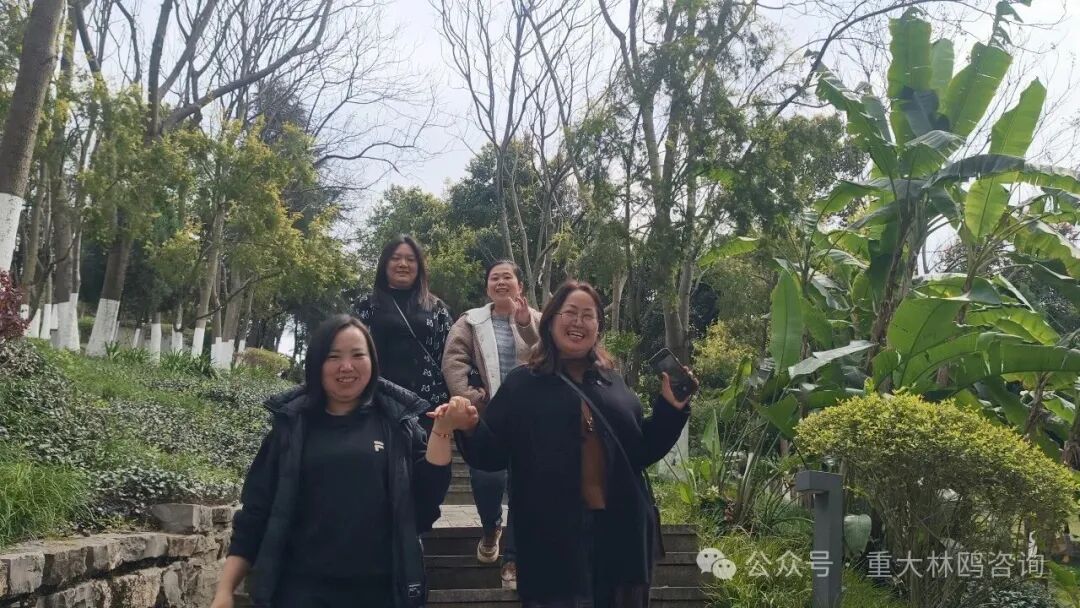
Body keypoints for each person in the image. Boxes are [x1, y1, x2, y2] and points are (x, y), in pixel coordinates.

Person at [430, 280, 697, 608]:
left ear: (597, 326)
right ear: (550, 320)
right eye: (570, 312)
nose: (578, 322)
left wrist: (671, 409)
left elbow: (640, 452)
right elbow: (490, 455)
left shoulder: (613, 383)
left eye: (588, 315)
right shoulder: (523, 385)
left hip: (621, 541)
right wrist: (469, 425)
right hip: (551, 545)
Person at [210, 315, 454, 608]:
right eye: (333, 356)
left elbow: (424, 506)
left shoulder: (397, 425)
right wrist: (225, 590)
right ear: (316, 363)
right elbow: (255, 512)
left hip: (381, 591)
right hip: (299, 591)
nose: (346, 366)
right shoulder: (291, 427)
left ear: (373, 362)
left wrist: (442, 431)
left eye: (358, 355)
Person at [441, 260, 540, 589]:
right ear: (487, 286)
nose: (501, 282)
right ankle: (490, 527)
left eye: (507, 277)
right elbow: (454, 360)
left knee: (524, 488)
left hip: (530, 420)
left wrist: (526, 324)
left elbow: (549, 357)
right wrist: (471, 398)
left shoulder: (538, 320)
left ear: (519, 286)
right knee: (486, 480)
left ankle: (512, 559)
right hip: (488, 418)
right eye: (494, 278)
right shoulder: (470, 321)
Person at [353, 235, 453, 419]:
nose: (403, 264)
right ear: (385, 264)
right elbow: (352, 351)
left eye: (410, 259)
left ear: (419, 266)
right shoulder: (367, 304)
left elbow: (451, 354)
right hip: (379, 402)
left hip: (428, 404)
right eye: (396, 258)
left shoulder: (436, 307)